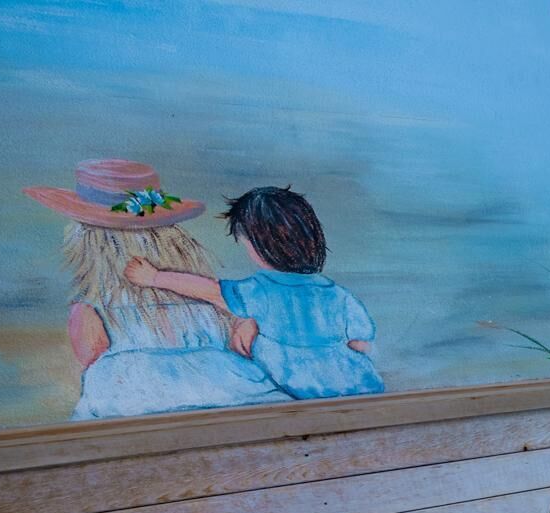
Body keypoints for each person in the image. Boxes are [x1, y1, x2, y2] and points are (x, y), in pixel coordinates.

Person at [23, 159, 288, 418]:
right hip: (233, 395)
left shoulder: (91, 306)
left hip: (138, 409)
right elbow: (242, 334)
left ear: (90, 241)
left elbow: (92, 353)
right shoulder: (201, 291)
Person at [124, 185, 384, 400]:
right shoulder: (336, 293)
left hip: (296, 385)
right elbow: (360, 343)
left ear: (258, 245)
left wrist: (154, 277)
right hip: (358, 382)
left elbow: (210, 291)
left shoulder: (259, 289)